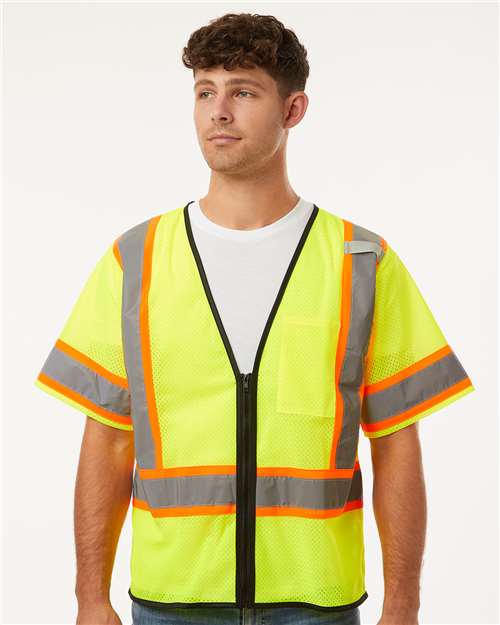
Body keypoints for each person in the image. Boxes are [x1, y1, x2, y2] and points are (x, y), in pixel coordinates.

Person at [34, 12, 475, 625]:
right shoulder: (136, 260)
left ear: (293, 110)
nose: (219, 112)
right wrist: (89, 598)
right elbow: (107, 440)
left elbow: (397, 444)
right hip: (171, 599)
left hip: (316, 602)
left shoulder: (361, 262)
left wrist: (404, 605)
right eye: (205, 92)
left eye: (242, 92)